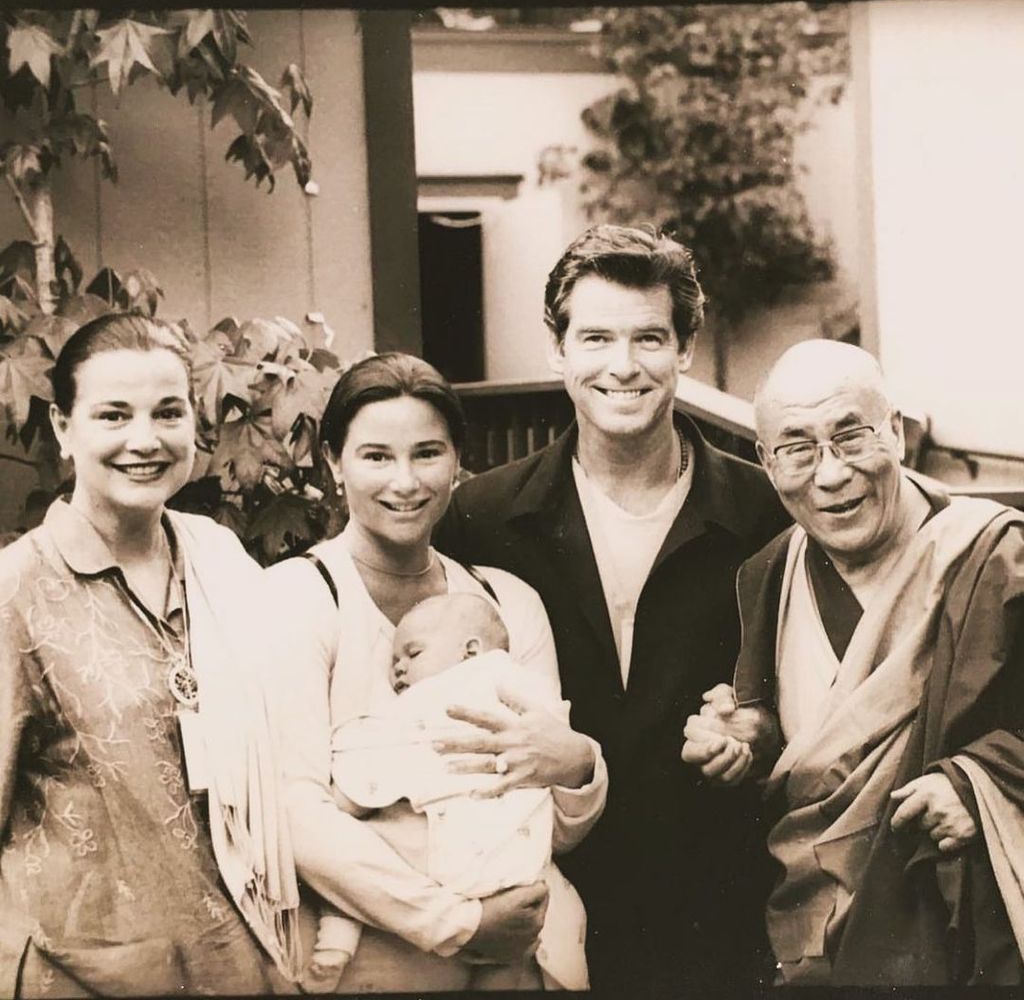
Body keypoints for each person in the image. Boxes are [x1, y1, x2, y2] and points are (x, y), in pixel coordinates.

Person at [435, 224, 790, 993]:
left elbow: (822, 686)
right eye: (595, 337)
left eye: (649, 339)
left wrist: (760, 728)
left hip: (722, 915)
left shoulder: (767, 513)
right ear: (558, 350)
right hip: (549, 914)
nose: (622, 366)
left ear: (684, 349)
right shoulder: (483, 520)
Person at [683, 338, 1024, 985]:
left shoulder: (994, 556)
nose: (831, 473)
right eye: (797, 448)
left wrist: (974, 785)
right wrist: (747, 739)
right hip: (809, 943)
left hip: (958, 942)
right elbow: (798, 744)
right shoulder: (768, 576)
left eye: (852, 436)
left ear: (896, 432)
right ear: (764, 460)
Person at [266, 352, 607, 993]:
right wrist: (458, 923)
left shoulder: (504, 603)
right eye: (375, 456)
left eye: (427, 453)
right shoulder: (299, 597)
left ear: (458, 464)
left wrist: (579, 768)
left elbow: (547, 826)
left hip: (516, 952)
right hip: (368, 960)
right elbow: (296, 813)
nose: (405, 481)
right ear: (334, 464)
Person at [0, 314, 300, 997]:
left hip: (234, 957)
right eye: (113, 414)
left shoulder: (217, 557)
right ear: (62, 428)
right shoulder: (16, 593)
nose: (145, 440)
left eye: (168, 412)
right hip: (81, 970)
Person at [308, 592, 587, 992]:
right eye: (393, 662)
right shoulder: (410, 702)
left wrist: (572, 752)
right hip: (434, 848)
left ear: (471, 651)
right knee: (360, 856)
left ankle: (337, 941)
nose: (398, 669)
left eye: (412, 653)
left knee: (515, 946)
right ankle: (335, 944)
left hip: (500, 838)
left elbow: (552, 729)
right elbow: (384, 742)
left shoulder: (496, 675)